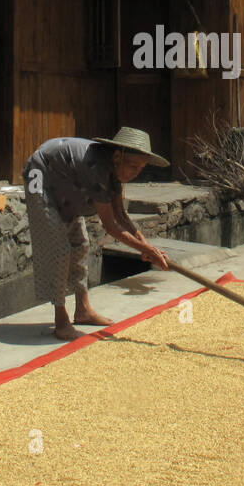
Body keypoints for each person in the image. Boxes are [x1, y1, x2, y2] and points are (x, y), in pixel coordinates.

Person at [22, 128, 171, 341]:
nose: (135, 172)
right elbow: (110, 225)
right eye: (132, 166)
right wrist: (146, 250)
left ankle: (83, 310)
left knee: (81, 244)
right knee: (59, 249)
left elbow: (120, 214)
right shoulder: (97, 167)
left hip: (66, 181)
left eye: (141, 168)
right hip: (42, 173)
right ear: (117, 157)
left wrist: (147, 246)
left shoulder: (114, 170)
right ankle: (60, 320)